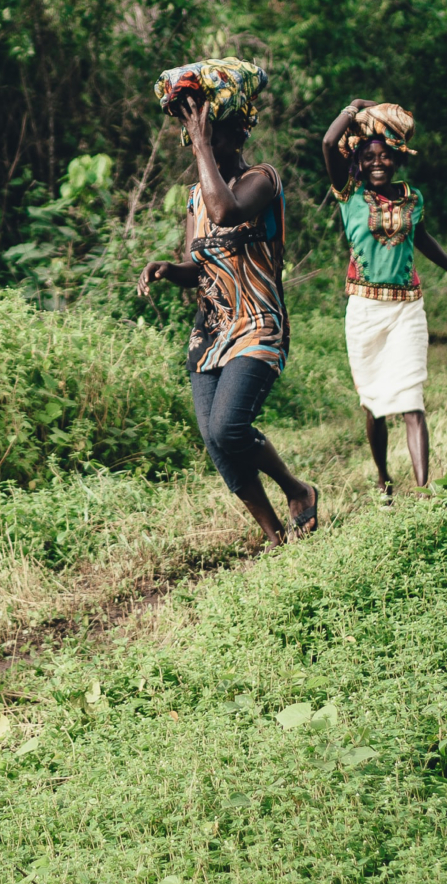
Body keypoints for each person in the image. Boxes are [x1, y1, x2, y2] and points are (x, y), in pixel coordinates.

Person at [138, 59, 318, 546]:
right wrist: (168, 270)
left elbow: (227, 212)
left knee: (230, 427)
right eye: (197, 140)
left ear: (236, 134)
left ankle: (298, 491)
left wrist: (200, 142)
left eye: (209, 138)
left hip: (259, 324)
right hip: (210, 330)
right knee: (215, 441)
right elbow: (199, 263)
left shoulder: (263, 180)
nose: (200, 150)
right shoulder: (196, 196)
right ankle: (273, 534)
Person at [320, 100, 447, 497]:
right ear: (359, 161)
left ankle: (425, 489)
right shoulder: (349, 193)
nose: (378, 163)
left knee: (412, 400)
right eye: (370, 157)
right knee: (374, 405)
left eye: (386, 156)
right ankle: (383, 478)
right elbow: (328, 142)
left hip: (408, 307)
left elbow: (420, 238)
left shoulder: (414, 199)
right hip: (364, 311)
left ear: (397, 160)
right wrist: (354, 106)